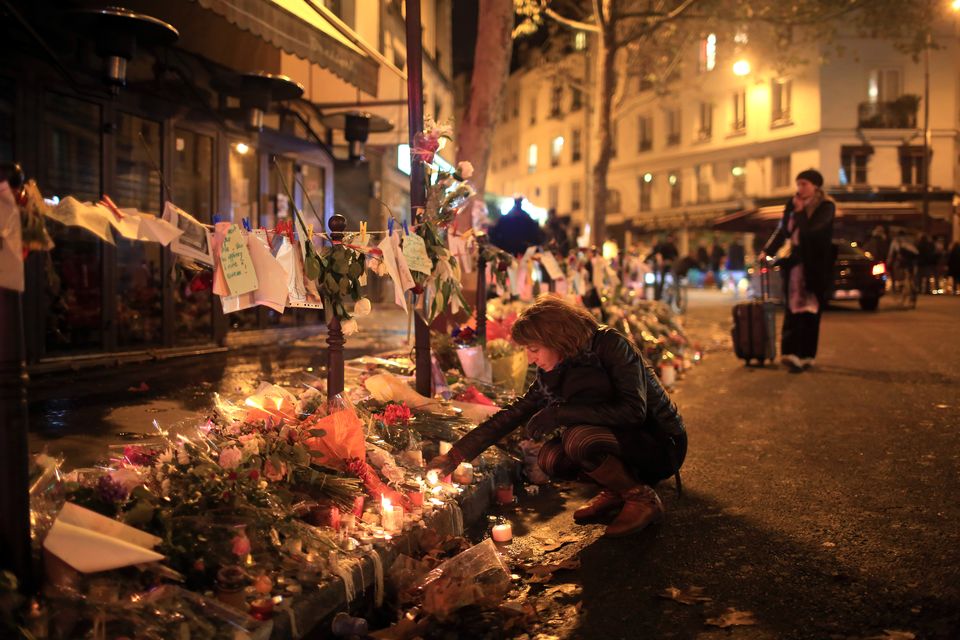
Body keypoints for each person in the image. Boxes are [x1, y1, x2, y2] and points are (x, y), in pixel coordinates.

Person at [428, 295, 687, 538]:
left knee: (577, 439)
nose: (530, 360)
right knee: (550, 457)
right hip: (620, 441)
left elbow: (634, 411)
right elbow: (513, 413)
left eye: (533, 349)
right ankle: (618, 489)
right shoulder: (554, 370)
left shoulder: (610, 345)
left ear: (556, 338)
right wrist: (455, 455)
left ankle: (641, 498)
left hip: (660, 441)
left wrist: (561, 413)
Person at [759, 169, 835, 372]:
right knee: (793, 309)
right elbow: (783, 230)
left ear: (815, 186)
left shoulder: (826, 207)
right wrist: (767, 250)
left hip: (815, 266)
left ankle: (807, 355)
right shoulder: (792, 205)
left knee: (811, 311)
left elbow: (813, 233)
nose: (800, 188)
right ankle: (791, 353)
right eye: (798, 184)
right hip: (794, 265)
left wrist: (801, 212)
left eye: (804, 184)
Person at [648, 233, 679, 301]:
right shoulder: (664, 246)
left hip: (669, 265)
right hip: (665, 265)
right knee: (661, 280)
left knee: (671, 279)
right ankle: (658, 296)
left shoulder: (672, 246)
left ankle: (661, 296)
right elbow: (659, 255)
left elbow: (676, 255)